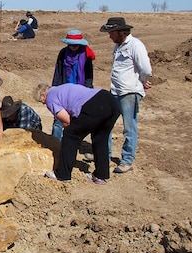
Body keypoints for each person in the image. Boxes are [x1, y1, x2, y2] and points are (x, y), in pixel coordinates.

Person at [38, 82, 120, 185]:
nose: (43, 103)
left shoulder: (50, 98)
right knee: (100, 139)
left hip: (95, 105)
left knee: (70, 136)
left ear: (43, 95)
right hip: (110, 101)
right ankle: (100, 176)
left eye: (41, 101)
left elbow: (67, 121)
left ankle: (62, 174)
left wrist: (71, 130)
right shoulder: (61, 88)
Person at [100, 17, 152, 174]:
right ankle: (104, 154)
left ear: (121, 32)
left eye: (111, 33)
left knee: (129, 128)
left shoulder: (135, 45)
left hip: (129, 92)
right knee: (106, 123)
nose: (109, 36)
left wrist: (141, 81)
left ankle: (127, 160)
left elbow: (146, 69)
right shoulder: (118, 46)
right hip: (115, 91)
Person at [50, 30, 96, 141]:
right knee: (58, 120)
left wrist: (88, 91)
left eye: (75, 45)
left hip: (79, 92)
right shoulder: (63, 53)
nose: (73, 47)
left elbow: (89, 75)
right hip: (63, 91)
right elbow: (58, 72)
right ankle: (55, 143)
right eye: (70, 45)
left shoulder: (86, 55)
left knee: (76, 120)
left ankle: (71, 143)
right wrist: (55, 88)